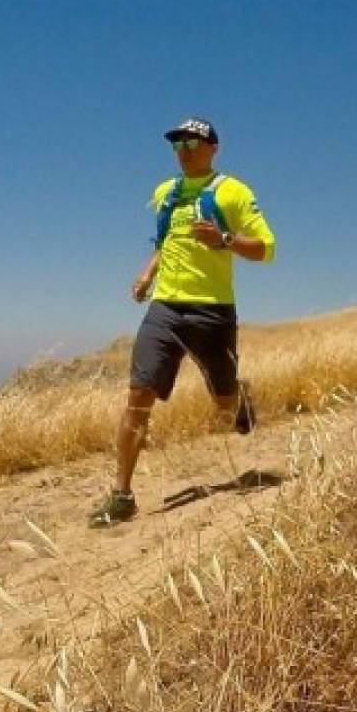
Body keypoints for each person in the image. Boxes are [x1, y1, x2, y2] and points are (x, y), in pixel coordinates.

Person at [89, 117, 276, 526]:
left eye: (193, 143)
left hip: (212, 311)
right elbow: (165, 241)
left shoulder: (233, 192)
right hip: (165, 310)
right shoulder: (165, 193)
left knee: (224, 407)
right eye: (179, 145)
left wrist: (224, 240)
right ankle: (121, 496)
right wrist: (147, 274)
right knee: (138, 399)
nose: (185, 151)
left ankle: (238, 399)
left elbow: (266, 248)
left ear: (213, 148)